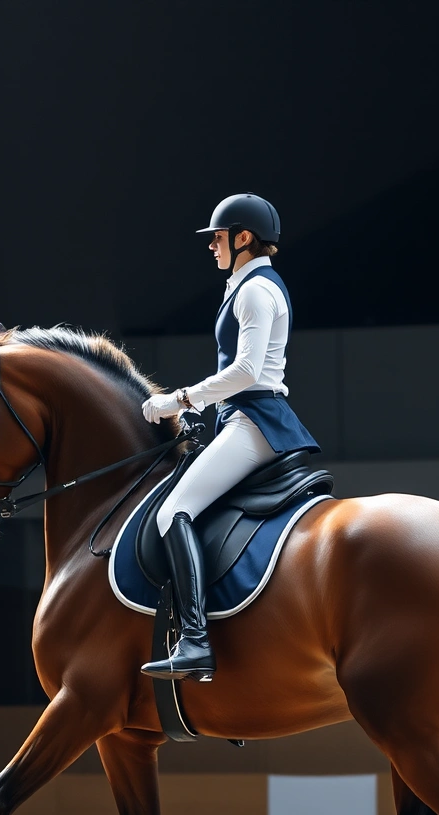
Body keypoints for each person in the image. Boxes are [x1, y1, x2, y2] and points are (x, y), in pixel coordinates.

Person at [138, 193, 320, 681]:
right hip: (239, 416)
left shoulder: (256, 290)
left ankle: (196, 641)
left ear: (244, 239)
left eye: (218, 238)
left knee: (173, 511)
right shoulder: (245, 285)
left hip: (254, 419)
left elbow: (245, 371)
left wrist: (179, 400)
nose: (212, 247)